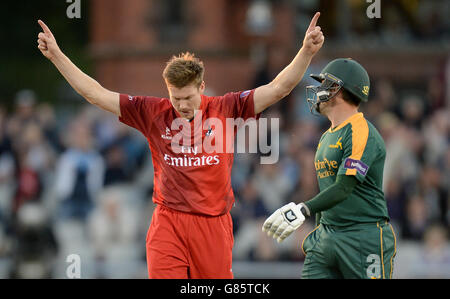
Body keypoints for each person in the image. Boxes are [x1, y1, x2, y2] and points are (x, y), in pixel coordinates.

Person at [37, 12, 324, 278]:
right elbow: (97, 94)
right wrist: (58, 57)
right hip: (168, 222)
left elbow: (278, 88)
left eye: (188, 97)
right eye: (176, 98)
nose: (182, 105)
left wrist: (306, 51)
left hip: (212, 225)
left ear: (201, 87)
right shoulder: (152, 111)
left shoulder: (227, 107)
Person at [263, 58, 397, 279]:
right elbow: (327, 191)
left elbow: (344, 188)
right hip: (327, 235)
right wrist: (318, 228)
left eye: (324, 84)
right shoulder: (326, 136)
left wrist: (303, 209)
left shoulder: (361, 131)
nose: (318, 90)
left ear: (338, 89)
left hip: (362, 236)